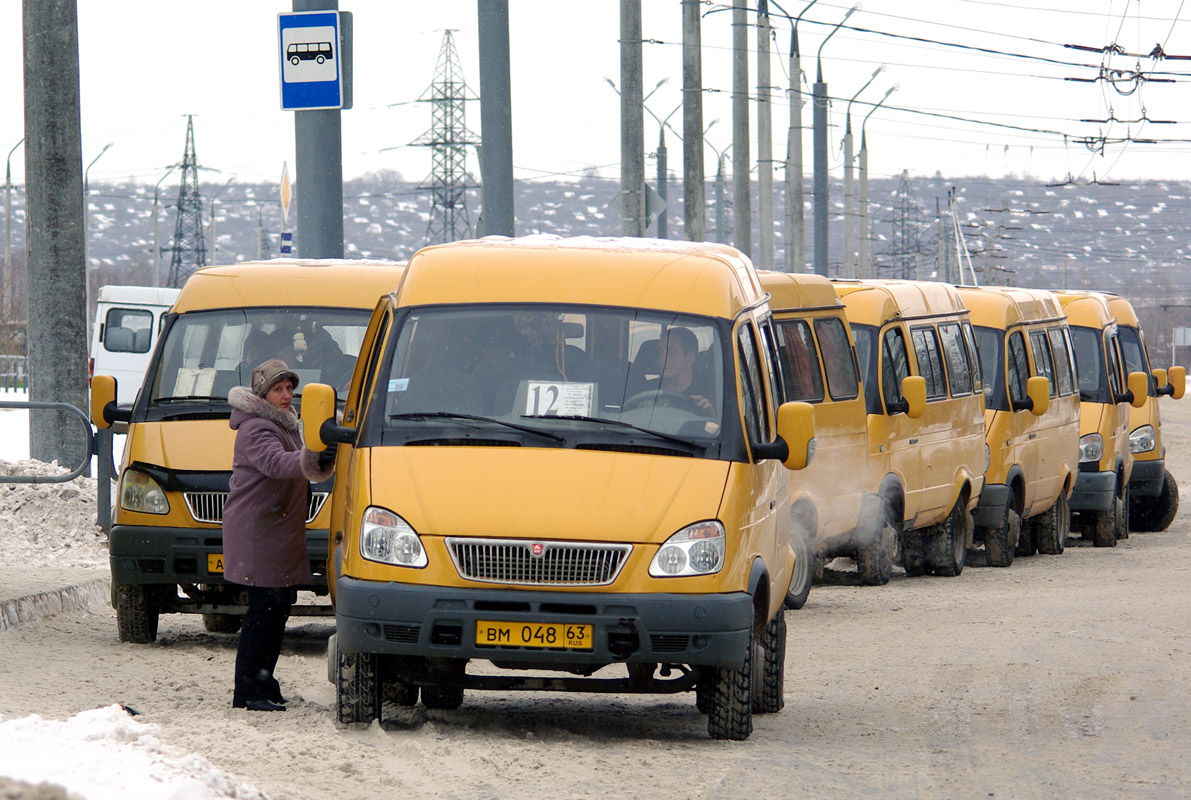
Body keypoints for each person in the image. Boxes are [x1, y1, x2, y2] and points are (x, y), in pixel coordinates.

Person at [222, 359, 335, 711]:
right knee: (263, 612)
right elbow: (276, 463)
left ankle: (263, 680)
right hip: (259, 533)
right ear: (263, 395)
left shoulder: (284, 424)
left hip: (275, 531)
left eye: (289, 388)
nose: (287, 395)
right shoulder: (256, 428)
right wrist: (314, 457)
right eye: (278, 389)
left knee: (276, 609)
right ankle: (248, 691)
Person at [648, 327, 715, 416]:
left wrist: (711, 414)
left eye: (671, 352)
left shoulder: (710, 391)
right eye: (660, 352)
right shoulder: (646, 390)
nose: (662, 358)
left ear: (690, 358)